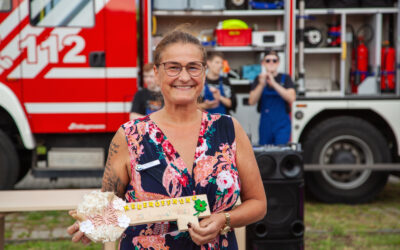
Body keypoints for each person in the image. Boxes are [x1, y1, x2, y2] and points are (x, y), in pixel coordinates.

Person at [68, 28, 266, 249]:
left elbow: (258, 203)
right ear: (157, 72)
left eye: (193, 67)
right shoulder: (131, 136)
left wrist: (224, 220)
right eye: (173, 67)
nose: (184, 77)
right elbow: (110, 206)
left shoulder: (228, 129)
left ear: (203, 72)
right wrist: (95, 221)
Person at [248, 50, 296, 145]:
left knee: (281, 152)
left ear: (278, 63)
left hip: (282, 125)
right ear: (263, 63)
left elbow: (291, 98)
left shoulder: (285, 78)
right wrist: (261, 85)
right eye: (268, 60)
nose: (271, 63)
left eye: (274, 60)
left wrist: (274, 83)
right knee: (265, 154)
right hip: (266, 125)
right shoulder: (258, 79)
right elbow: (251, 101)